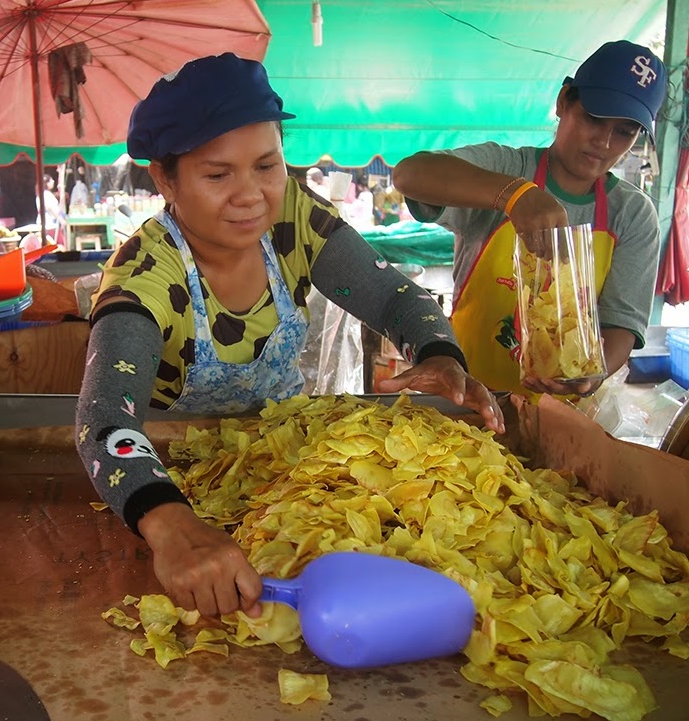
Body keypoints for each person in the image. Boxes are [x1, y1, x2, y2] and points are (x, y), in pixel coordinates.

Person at [74, 53, 504, 620]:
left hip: (291, 476)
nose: (251, 194)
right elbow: (104, 418)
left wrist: (439, 354)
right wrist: (173, 526)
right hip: (182, 494)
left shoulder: (292, 220)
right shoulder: (145, 278)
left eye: (267, 165)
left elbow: (389, 295)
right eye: (217, 174)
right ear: (164, 178)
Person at [392, 40, 668, 397]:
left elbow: (621, 325)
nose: (604, 141)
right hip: (468, 398)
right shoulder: (506, 167)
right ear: (564, 100)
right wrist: (513, 194)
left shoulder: (632, 214)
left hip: (561, 414)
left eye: (624, 132)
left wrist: (591, 376)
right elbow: (410, 174)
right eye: (594, 118)